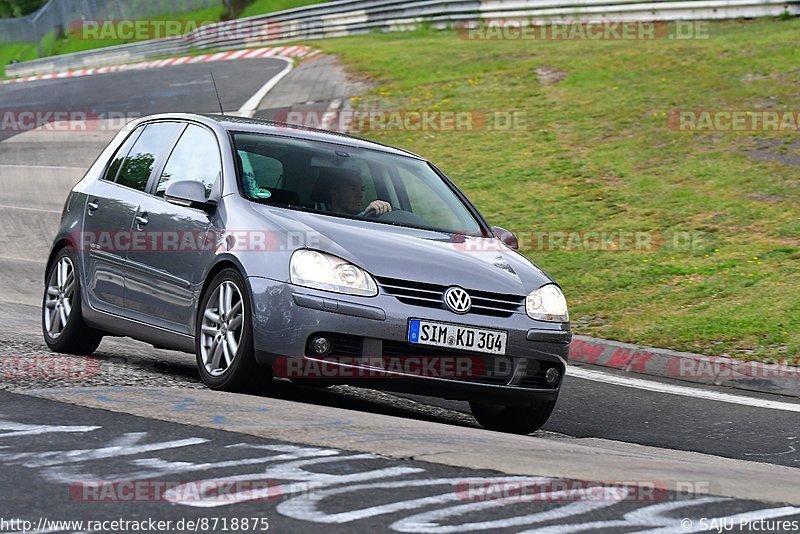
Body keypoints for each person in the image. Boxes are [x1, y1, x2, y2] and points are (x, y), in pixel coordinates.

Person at [316, 168, 392, 217]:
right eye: (353, 189)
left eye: (362, 189)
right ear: (335, 194)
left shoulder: (367, 217)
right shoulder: (315, 220)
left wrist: (375, 211)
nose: (360, 195)